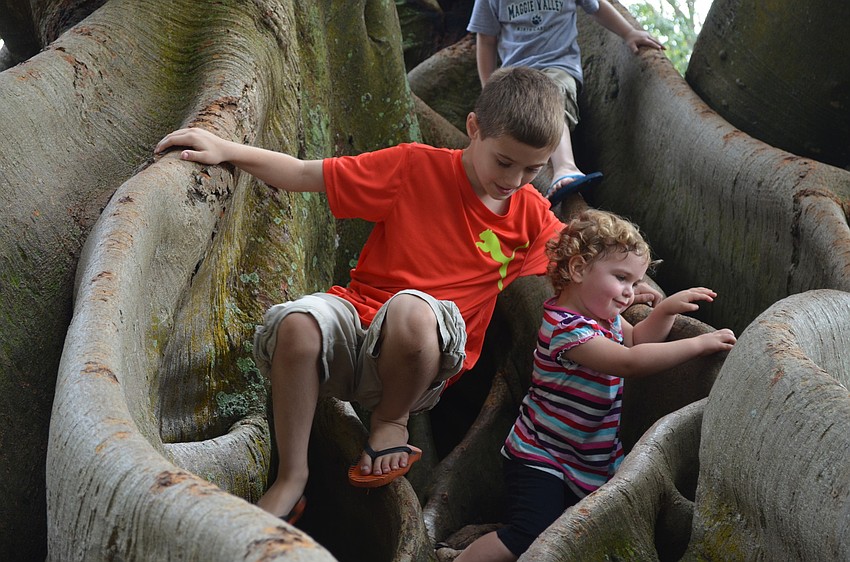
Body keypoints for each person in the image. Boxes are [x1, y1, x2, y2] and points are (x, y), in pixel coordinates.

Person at [154, 67, 661, 523]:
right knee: (298, 324)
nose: (516, 181)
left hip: (423, 367)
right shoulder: (413, 167)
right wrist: (228, 150)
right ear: (473, 128)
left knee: (414, 309)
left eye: (533, 170)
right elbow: (308, 173)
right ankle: (292, 477)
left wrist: (634, 286)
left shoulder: (529, 214)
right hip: (358, 332)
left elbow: (588, 259)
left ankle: (390, 422)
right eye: (505, 163)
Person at [454, 208, 736, 561]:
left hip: (592, 457)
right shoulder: (566, 328)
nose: (628, 293)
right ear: (578, 269)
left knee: (588, 532)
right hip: (542, 455)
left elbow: (635, 343)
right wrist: (698, 344)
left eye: (635, 283)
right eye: (621, 278)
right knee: (527, 535)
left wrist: (665, 312)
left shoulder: (605, 317)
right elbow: (629, 363)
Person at [467, 0, 664, 199]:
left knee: (552, 99)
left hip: (559, 67)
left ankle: (565, 167)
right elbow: (486, 40)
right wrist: (489, 88)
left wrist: (628, 32)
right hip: (518, 75)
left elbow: (597, 7)